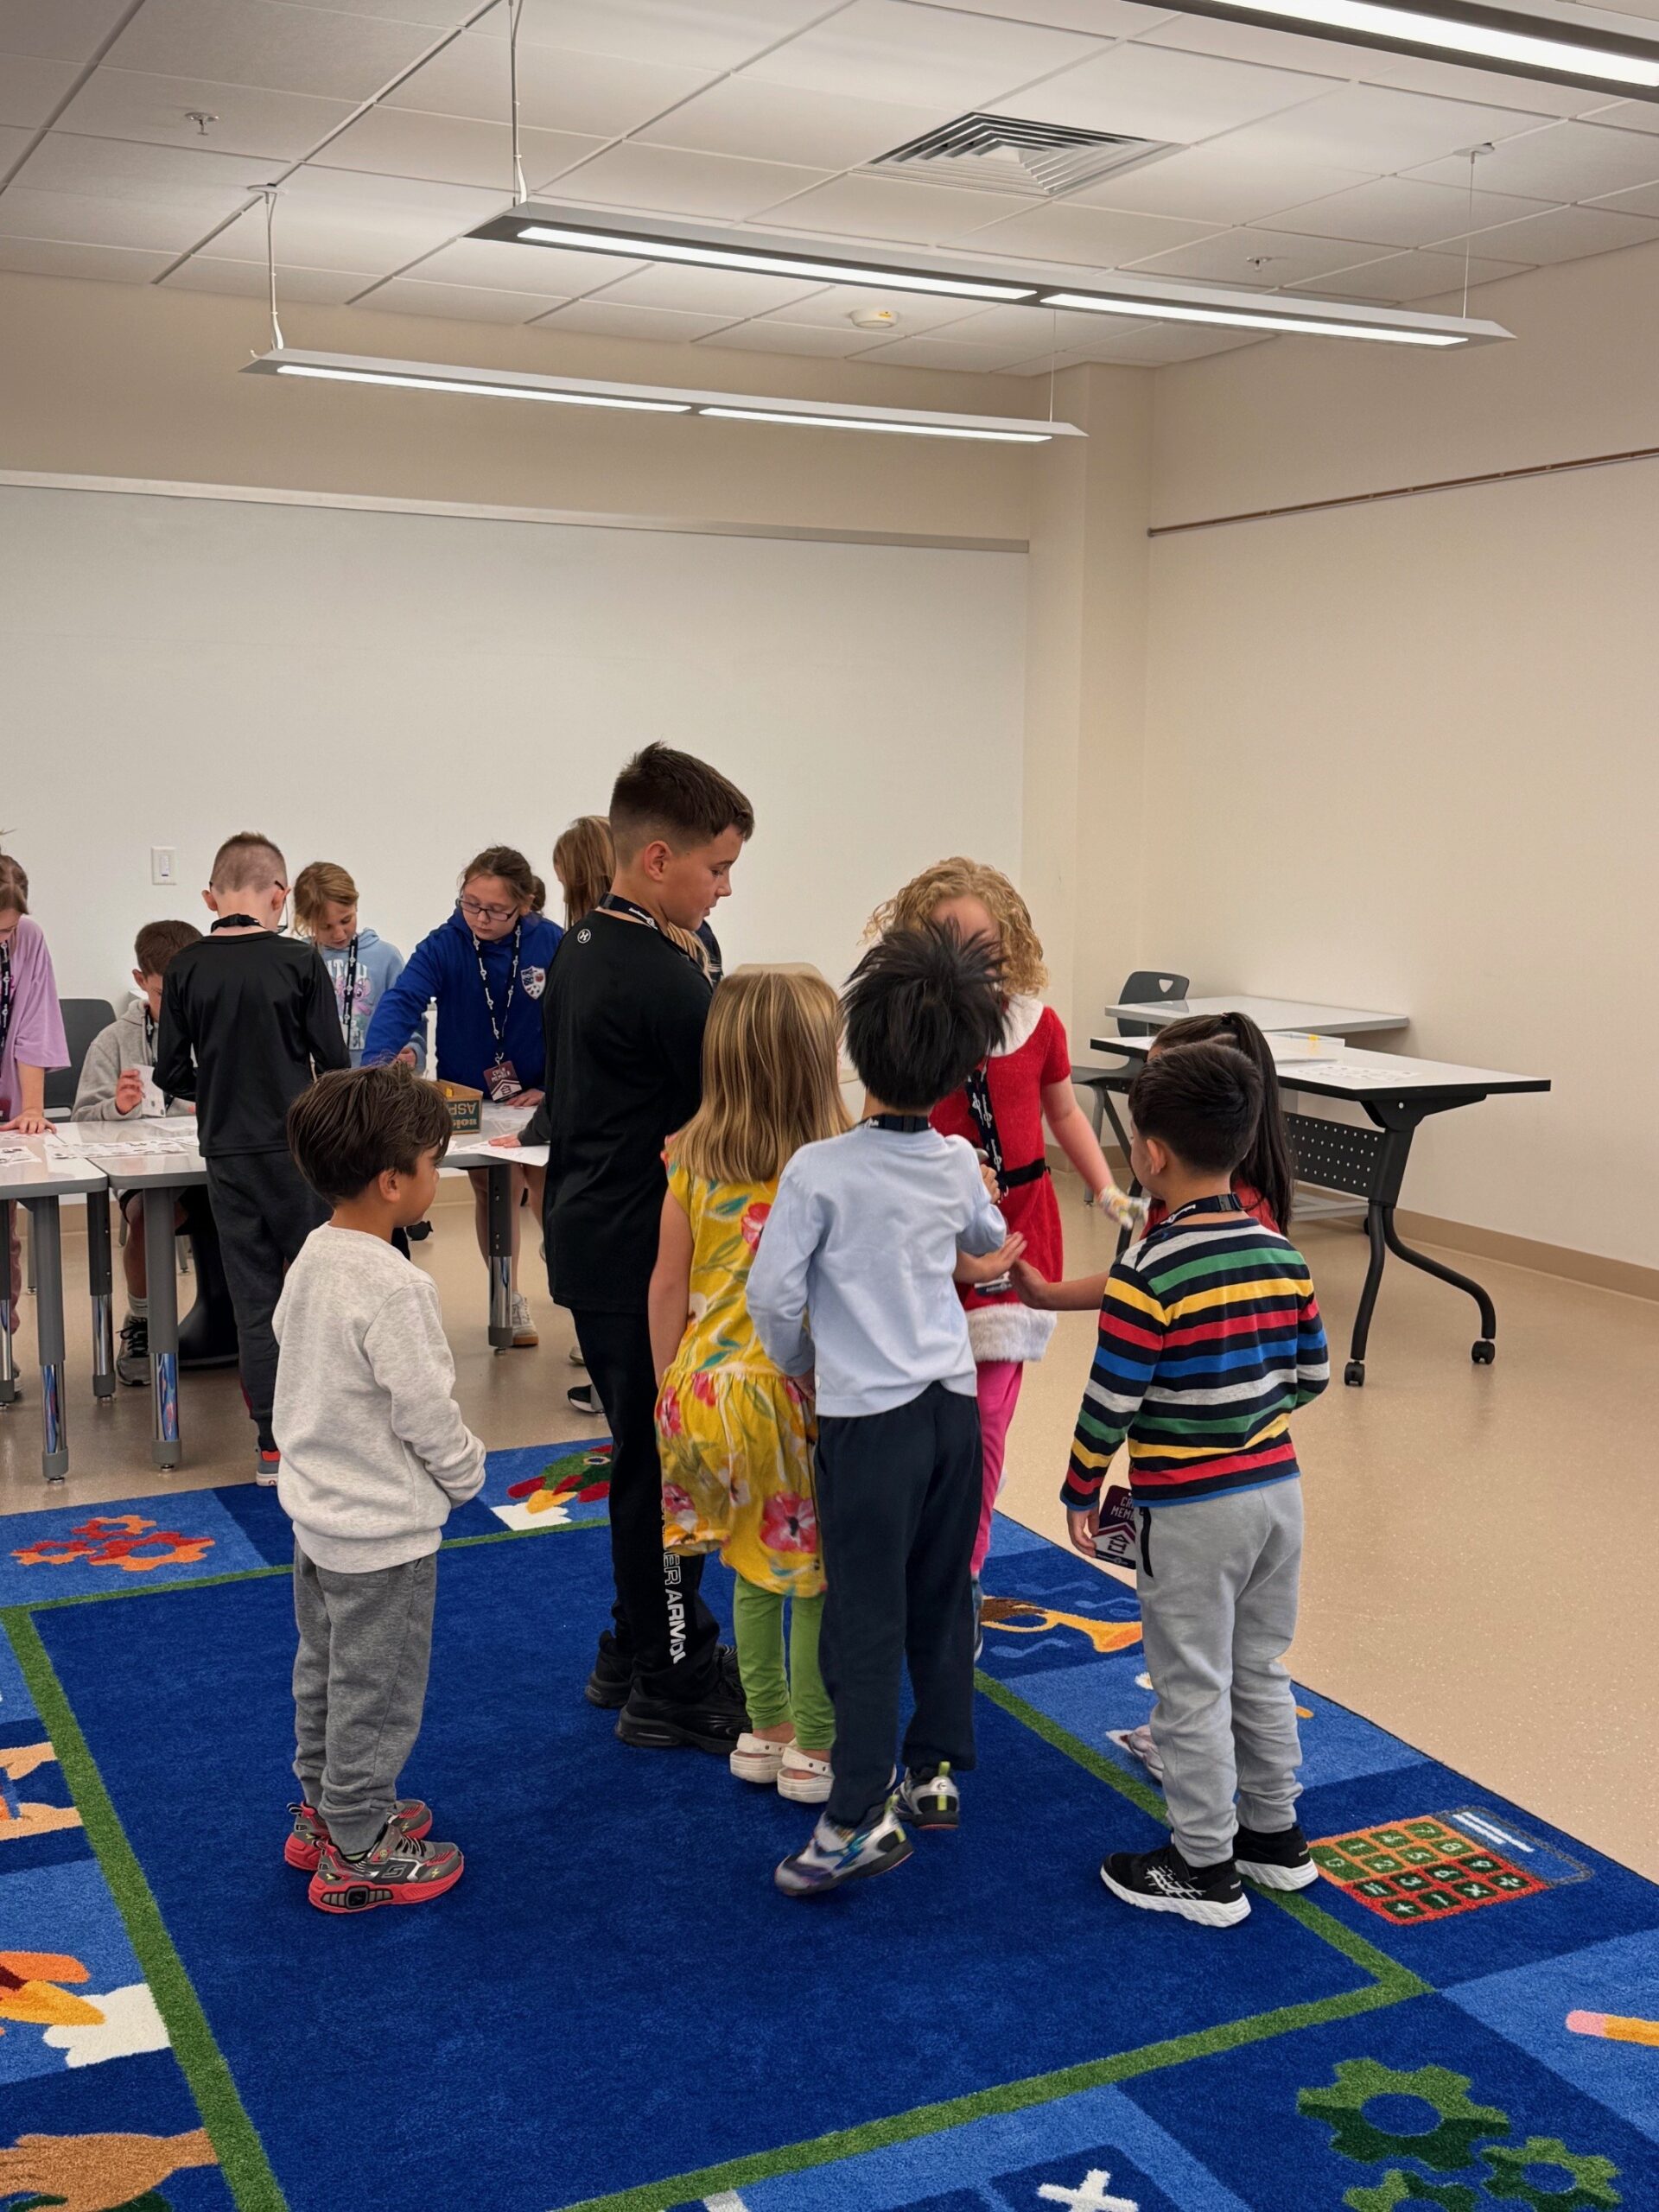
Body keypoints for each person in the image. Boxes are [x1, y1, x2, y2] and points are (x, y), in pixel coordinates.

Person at [748, 924, 1020, 1897]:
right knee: (942, 1595)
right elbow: (988, 1233)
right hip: (952, 1412)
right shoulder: (952, 1159)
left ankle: (857, 1814)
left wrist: (804, 1368)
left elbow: (772, 1299)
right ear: (956, 1066)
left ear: (857, 1049)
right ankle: (935, 1769)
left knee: (862, 1619)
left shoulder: (818, 1169)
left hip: (870, 1424)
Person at [1050, 1043, 1329, 1929]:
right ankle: (1276, 1837)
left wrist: (1080, 1488)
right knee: (1259, 1665)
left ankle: (1203, 1865)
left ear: (1152, 1154)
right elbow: (1312, 1375)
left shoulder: (1149, 1267)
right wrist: (1246, 1418)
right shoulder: (1281, 1252)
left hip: (1191, 1510)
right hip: (1277, 1494)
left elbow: (1111, 1400)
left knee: (1191, 1681)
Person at [528, 745, 753, 1751]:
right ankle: (669, 1676)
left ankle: (637, 1640)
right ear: (657, 859)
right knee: (666, 1462)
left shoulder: (586, 941)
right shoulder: (662, 976)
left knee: (643, 1451)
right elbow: (736, 1108)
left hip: (596, 1230)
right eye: (717, 867)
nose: (725, 888)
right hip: (638, 1249)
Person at [868, 859, 1125, 1636]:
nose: (967, 959)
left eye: (981, 943)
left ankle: (964, 1574)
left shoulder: (1038, 1026)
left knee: (986, 1423)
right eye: (946, 941)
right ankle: (911, 1547)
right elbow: (877, 1121)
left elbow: (1065, 1114)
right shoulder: (906, 1026)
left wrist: (1107, 1190)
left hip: (1017, 1238)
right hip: (929, 1236)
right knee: (922, 1417)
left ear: (1009, 942)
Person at [276, 1064, 483, 1914]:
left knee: (324, 1672)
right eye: (433, 1162)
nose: (438, 1175)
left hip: (318, 1521)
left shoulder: (314, 1254)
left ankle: (322, 1809)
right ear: (393, 1182)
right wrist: (467, 1473)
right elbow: (425, 1411)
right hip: (382, 1536)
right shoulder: (397, 1286)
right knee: (379, 1691)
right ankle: (359, 1844)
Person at [649, 966, 849, 1805]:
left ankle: (763, 1730)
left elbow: (667, 1282)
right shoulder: (829, 1165)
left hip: (698, 1392)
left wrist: (666, 1389)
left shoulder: (690, 1157)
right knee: (812, 1574)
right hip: (783, 1393)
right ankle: (813, 1744)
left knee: (751, 1563)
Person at [154, 831, 349, 1478]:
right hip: (297, 1151)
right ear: (279, 895)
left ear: (210, 897)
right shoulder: (299, 961)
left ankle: (271, 1445)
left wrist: (213, 1090)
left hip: (226, 1154)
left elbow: (169, 1072)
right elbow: (335, 1063)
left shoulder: (185, 967)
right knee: (316, 1291)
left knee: (254, 1302)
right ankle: (331, 1432)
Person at [361, 846, 560, 1349]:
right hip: (473, 1096)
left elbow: (577, 1017)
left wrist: (553, 1086)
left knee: (547, 1187)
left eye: (495, 910)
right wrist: (374, 1067)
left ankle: (569, 1279)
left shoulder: (550, 942)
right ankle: (507, 1294)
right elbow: (403, 1000)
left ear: (525, 905)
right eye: (471, 904)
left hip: (536, 1096)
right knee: (493, 1190)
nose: (480, 918)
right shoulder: (445, 943)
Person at [73, 918, 204, 1387]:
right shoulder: (113, 1041)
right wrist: (117, 1106)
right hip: (147, 1170)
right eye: (167, 994)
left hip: (211, 1165)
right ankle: (143, 1322)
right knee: (149, 1217)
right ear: (140, 980)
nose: (180, 1005)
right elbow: (83, 1119)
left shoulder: (221, 1028)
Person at [0, 852, 69, 1321]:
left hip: (7, 1101)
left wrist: (32, 1110)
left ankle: (4, 1343)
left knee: (4, 1235)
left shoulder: (28, 938)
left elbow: (34, 1025)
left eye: (8, 930)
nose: (4, 939)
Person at [291, 862, 424, 1071]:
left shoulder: (386, 958)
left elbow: (409, 1015)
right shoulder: (297, 960)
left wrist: (414, 1051)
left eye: (346, 920)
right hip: (317, 1084)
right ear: (305, 920)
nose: (339, 933)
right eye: (326, 926)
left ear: (356, 905)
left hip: (375, 1081)